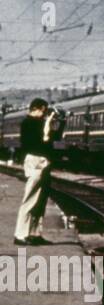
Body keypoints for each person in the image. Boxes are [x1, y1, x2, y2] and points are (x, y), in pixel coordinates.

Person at [14, 98, 63, 246]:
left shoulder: (40, 123)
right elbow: (42, 141)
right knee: (30, 198)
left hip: (43, 161)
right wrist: (47, 124)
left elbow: (56, 137)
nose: (45, 114)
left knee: (41, 200)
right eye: (44, 111)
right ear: (37, 108)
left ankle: (35, 233)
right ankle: (21, 234)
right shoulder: (28, 123)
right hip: (35, 160)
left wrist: (61, 123)